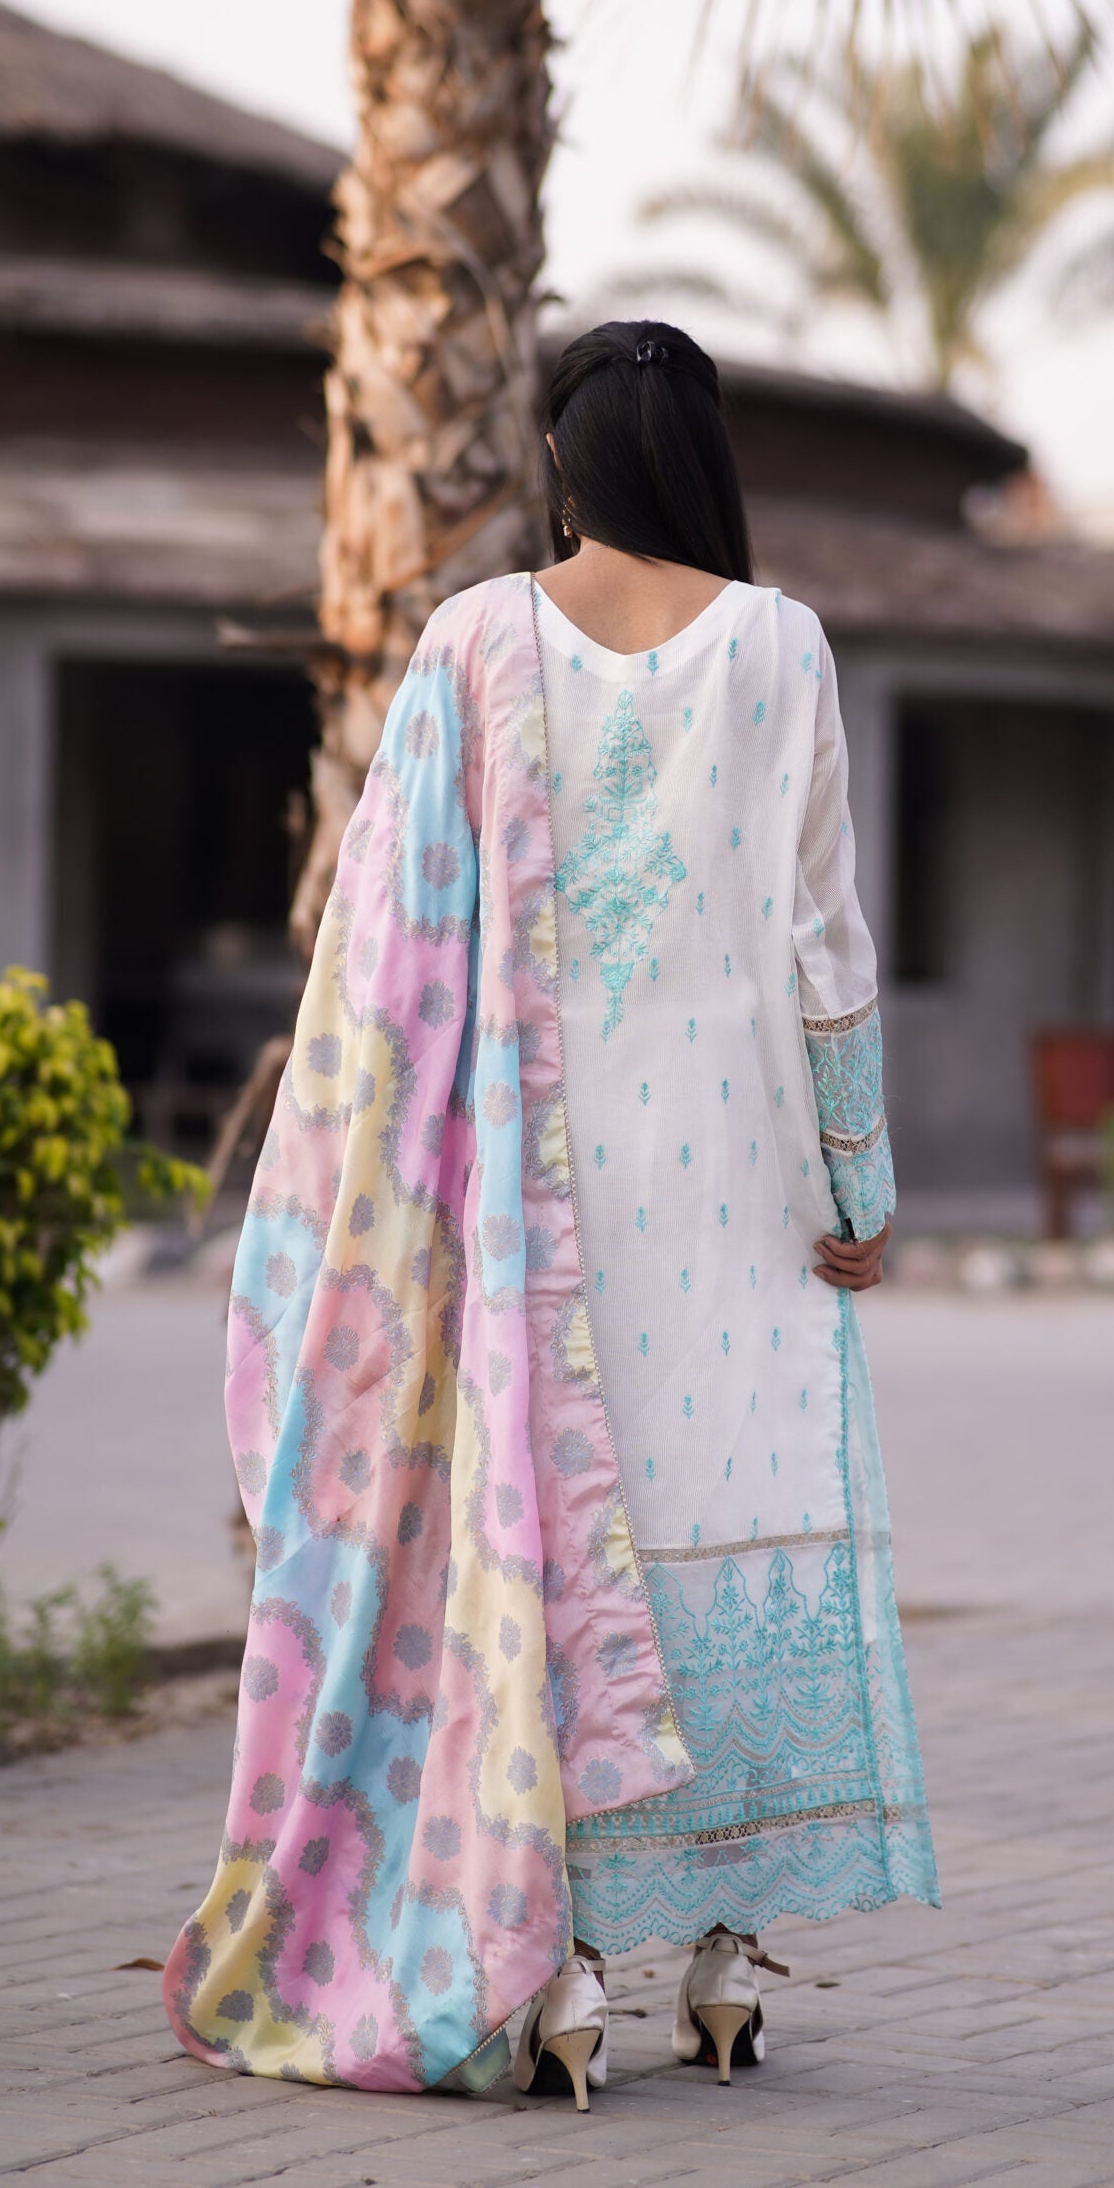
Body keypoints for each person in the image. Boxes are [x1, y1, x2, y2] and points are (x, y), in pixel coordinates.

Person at [163, 319, 937, 2107]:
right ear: (705, 465)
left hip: (533, 1201)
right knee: (732, 1527)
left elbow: (381, 943)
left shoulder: (475, 640)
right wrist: (863, 1179)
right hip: (745, 1192)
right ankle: (725, 1955)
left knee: (569, 1537)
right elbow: (825, 944)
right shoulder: (784, 645)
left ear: (565, 467)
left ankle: (563, 1967)